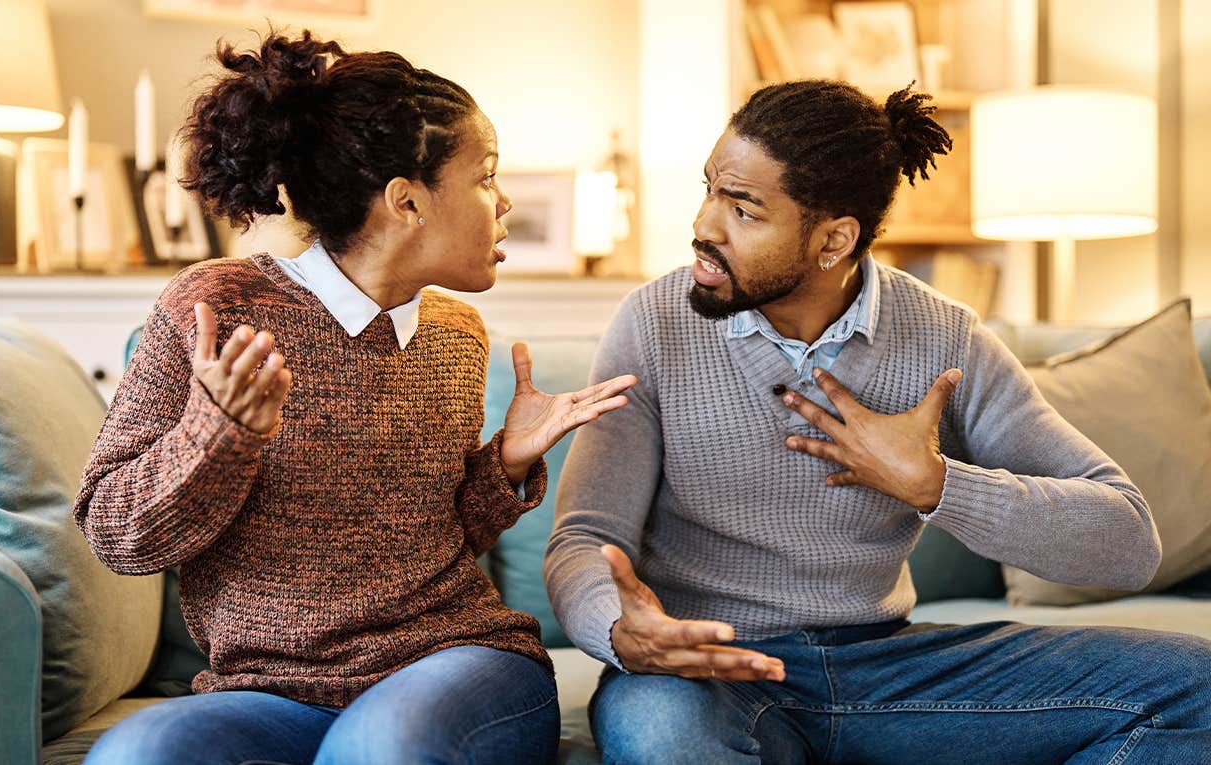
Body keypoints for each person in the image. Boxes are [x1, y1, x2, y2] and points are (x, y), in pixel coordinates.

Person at [544, 79, 1211, 764]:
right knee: (659, 734)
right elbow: (584, 537)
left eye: (743, 209)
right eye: (711, 189)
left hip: (886, 668)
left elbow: (1129, 542)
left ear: (833, 240)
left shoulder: (944, 338)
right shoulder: (653, 324)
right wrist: (620, 630)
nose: (705, 225)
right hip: (708, 671)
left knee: (1197, 684)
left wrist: (936, 484)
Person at [74, 30, 635, 765]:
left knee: (382, 748)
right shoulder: (214, 306)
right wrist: (217, 434)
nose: (502, 205)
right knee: (136, 756)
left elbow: (425, 541)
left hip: (458, 662)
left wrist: (503, 466)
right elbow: (117, 536)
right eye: (486, 176)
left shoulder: (456, 336)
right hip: (270, 688)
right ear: (407, 201)